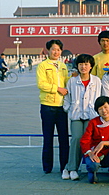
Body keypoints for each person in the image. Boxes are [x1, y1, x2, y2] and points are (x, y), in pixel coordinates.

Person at [62, 54, 102, 180]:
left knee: (86, 141)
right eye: (81, 64)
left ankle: (72, 167)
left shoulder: (96, 81)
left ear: (91, 66)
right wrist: (68, 109)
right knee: (76, 139)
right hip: (76, 115)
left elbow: (100, 97)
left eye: (86, 64)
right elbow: (67, 98)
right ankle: (72, 168)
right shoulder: (72, 81)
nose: (83, 67)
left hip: (91, 115)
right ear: (77, 66)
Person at [36, 39, 69, 174]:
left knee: (64, 138)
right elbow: (41, 84)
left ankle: (64, 166)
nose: (56, 52)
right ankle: (47, 167)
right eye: (54, 49)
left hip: (62, 107)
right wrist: (57, 89)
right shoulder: (43, 66)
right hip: (48, 106)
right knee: (48, 138)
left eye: (59, 50)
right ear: (48, 50)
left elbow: (66, 83)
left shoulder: (63, 66)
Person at [80, 96, 109, 184]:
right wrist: (90, 153)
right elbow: (85, 140)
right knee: (93, 166)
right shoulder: (93, 122)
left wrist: (104, 143)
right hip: (95, 154)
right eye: (100, 109)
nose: (104, 111)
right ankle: (92, 173)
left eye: (106, 107)